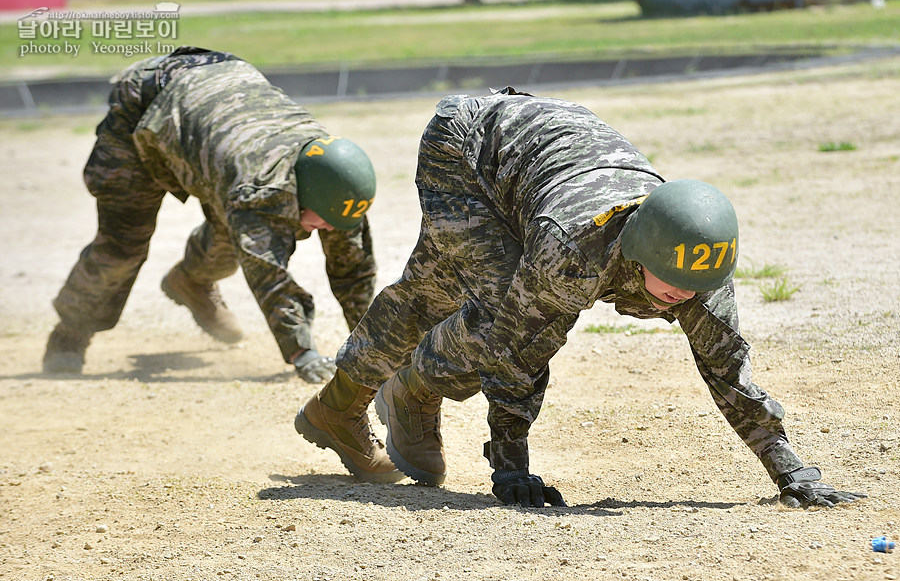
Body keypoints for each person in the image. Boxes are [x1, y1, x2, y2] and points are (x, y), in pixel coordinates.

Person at [294, 87, 867, 507]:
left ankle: (362, 399)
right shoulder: (574, 250)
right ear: (637, 252)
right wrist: (511, 469)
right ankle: (386, 396)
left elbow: (728, 370)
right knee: (478, 305)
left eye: (693, 288)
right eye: (671, 284)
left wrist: (792, 473)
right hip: (469, 147)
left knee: (440, 291)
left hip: (550, 150)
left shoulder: (697, 259)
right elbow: (518, 351)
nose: (680, 297)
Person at [43, 46, 379, 385]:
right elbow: (268, 273)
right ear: (297, 192)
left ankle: (190, 282)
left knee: (232, 237)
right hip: (146, 103)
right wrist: (301, 351)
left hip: (215, 118)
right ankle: (71, 331)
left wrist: (374, 347)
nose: (324, 228)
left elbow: (354, 269)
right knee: (122, 246)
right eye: (319, 219)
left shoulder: (335, 180)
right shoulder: (258, 189)